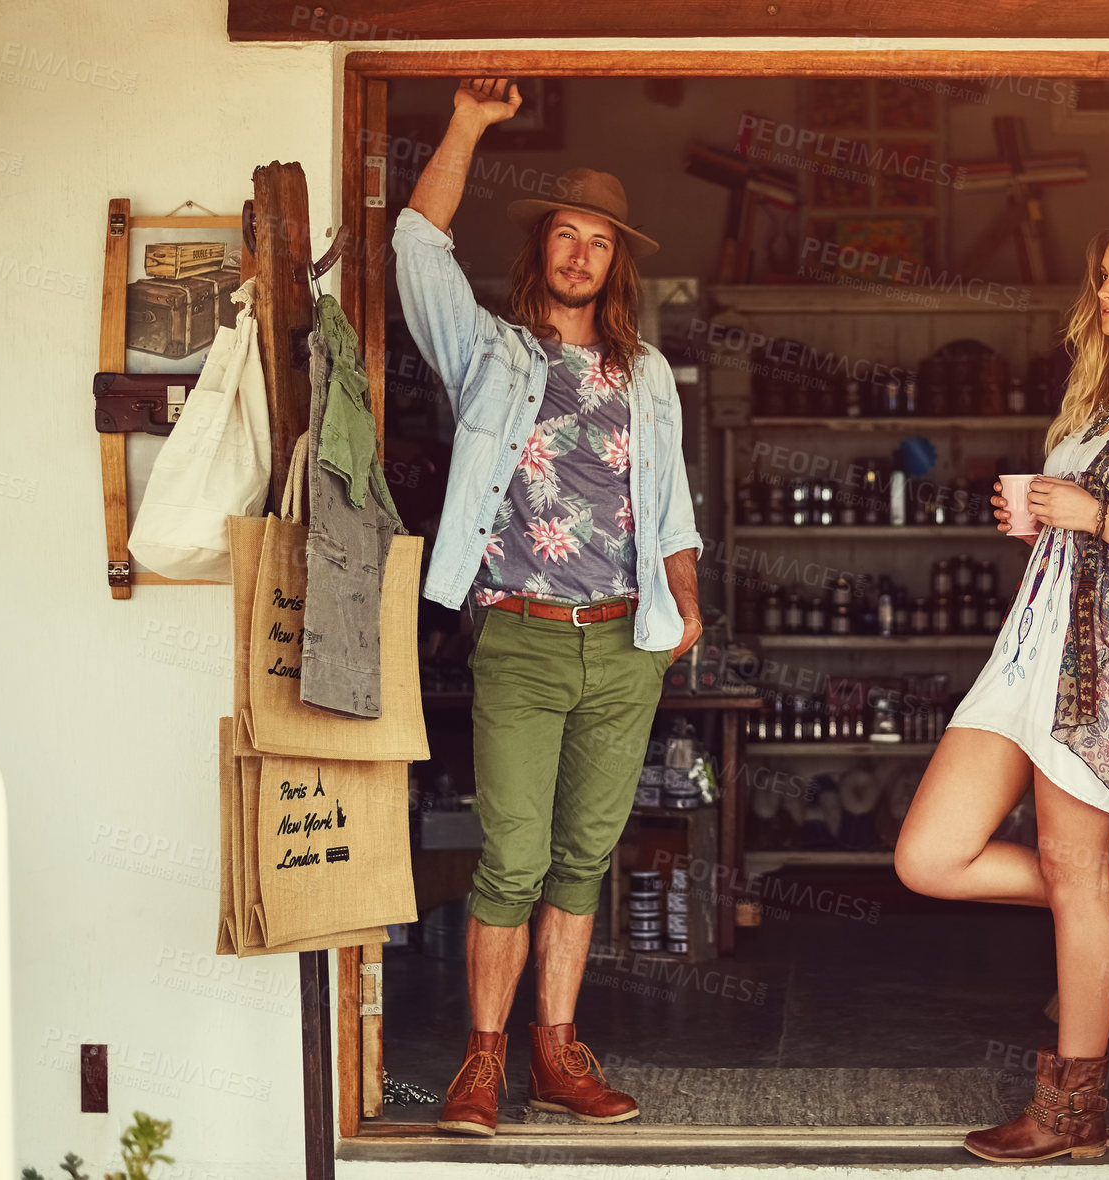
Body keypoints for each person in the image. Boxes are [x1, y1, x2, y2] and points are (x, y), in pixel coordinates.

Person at [393, 77, 704, 1137]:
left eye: (598, 241)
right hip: (520, 639)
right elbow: (415, 247)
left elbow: (670, 507)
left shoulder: (647, 372)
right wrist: (470, 123)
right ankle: (478, 1065)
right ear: (543, 250)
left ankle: (555, 1056)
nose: (580, 253)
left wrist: (683, 611)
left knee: (583, 859)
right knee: (513, 857)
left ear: (618, 261)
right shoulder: (489, 352)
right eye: (565, 235)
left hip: (624, 644)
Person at [894, 217, 1109, 1163]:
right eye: (1102, 277)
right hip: (1029, 653)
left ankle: (1070, 1110)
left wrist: (1092, 515)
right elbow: (1088, 531)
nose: (1108, 292)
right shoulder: (1102, 396)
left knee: (1072, 873)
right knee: (928, 857)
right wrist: (1048, 523)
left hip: (1107, 676)